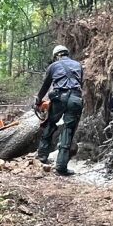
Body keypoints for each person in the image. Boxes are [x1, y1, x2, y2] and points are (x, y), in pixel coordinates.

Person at [34, 44, 84, 176]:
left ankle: (42, 156)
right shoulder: (78, 65)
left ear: (56, 56)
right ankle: (61, 167)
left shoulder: (53, 66)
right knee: (68, 130)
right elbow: (80, 84)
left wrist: (38, 100)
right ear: (66, 53)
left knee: (50, 123)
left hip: (59, 98)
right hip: (75, 98)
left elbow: (46, 86)